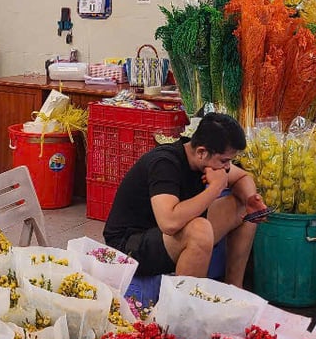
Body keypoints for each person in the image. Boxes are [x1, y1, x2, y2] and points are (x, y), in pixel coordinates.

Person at [103, 112, 265, 286]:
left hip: (163, 236)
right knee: (199, 230)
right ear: (202, 152)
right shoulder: (165, 163)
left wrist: (250, 199)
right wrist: (216, 188)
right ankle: (184, 305)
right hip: (129, 244)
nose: (227, 167)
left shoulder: (208, 162)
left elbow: (243, 177)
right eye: (224, 161)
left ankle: (234, 288)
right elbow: (169, 222)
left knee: (244, 209)